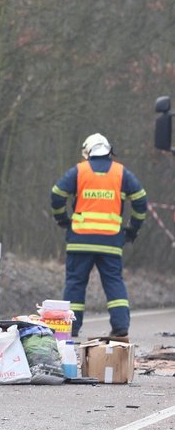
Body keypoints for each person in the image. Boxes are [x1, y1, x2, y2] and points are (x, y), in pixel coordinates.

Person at [51, 133, 147, 338]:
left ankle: (72, 328)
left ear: (88, 152)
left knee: (75, 284)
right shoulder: (122, 174)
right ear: (109, 151)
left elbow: (57, 194)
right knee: (114, 283)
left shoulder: (79, 171)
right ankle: (120, 326)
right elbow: (140, 200)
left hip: (80, 241)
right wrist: (132, 228)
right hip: (110, 242)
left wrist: (63, 219)